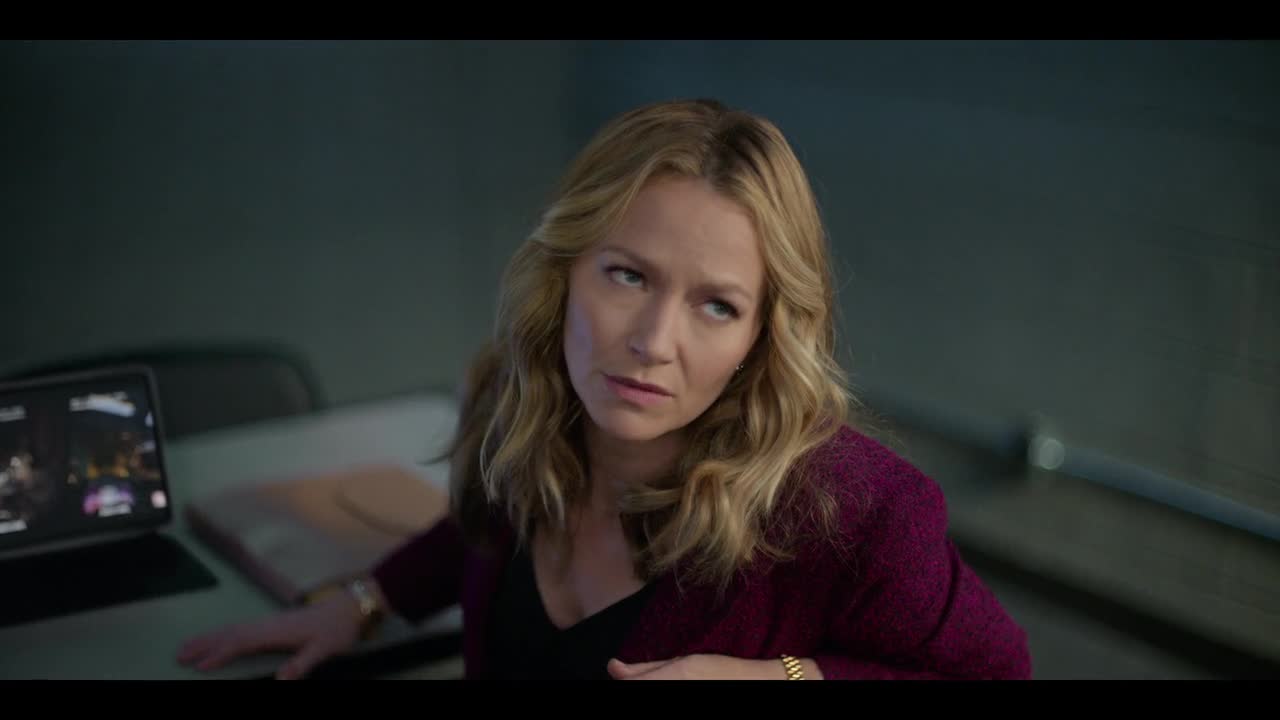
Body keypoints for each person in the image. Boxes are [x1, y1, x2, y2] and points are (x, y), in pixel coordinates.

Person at [177, 98, 1033, 681]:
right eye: (627, 275)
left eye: (717, 305)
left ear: (761, 337)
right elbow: (480, 530)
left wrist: (788, 678)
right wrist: (364, 604)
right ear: (564, 272)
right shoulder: (525, 401)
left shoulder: (858, 512)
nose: (653, 342)